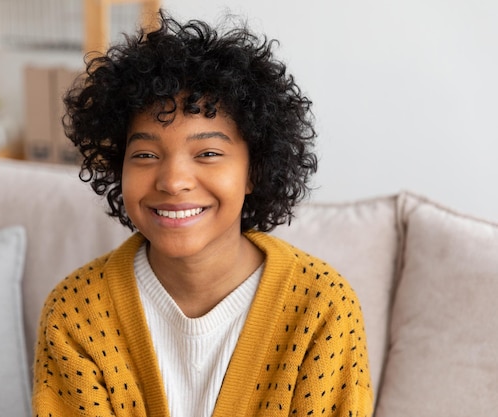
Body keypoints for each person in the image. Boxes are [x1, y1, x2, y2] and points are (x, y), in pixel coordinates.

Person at [32, 9, 373, 417]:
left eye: (208, 153)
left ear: (254, 170)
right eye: (145, 154)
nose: (173, 181)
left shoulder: (322, 308)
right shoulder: (76, 312)